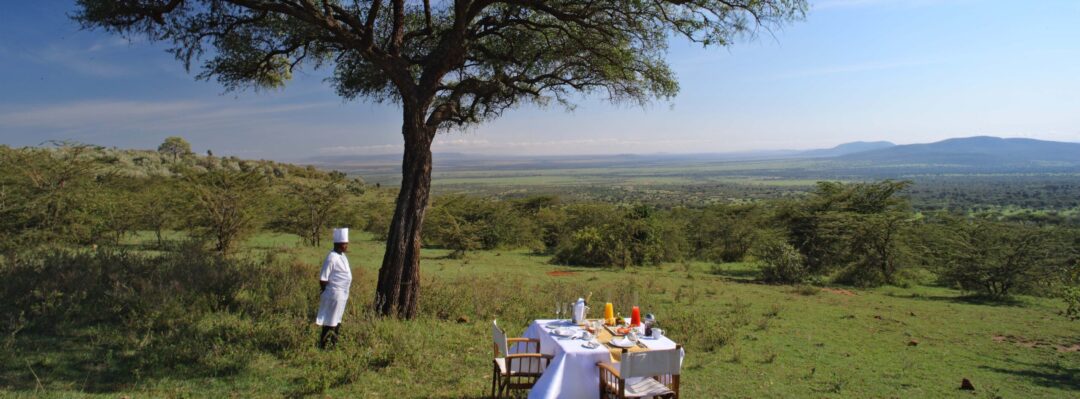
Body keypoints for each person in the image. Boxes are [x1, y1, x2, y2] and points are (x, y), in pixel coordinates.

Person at [316, 227, 352, 349]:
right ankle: (324, 346)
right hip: (333, 295)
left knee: (336, 322)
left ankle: (333, 345)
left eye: (346, 243)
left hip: (341, 296)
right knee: (329, 322)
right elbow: (323, 279)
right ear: (338, 244)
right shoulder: (331, 257)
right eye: (344, 244)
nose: (346, 246)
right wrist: (327, 292)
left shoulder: (342, 256)